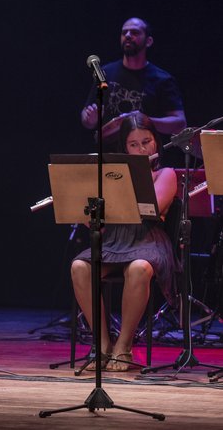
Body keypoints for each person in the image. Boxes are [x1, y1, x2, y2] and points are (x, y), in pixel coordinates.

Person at [70, 113, 178, 371]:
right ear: (124, 148)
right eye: (133, 144)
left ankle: (124, 346)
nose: (141, 149)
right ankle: (103, 344)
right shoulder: (112, 175)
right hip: (115, 240)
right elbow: (102, 221)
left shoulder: (166, 173)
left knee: (139, 268)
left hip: (148, 239)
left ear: (156, 143)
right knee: (79, 267)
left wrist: (124, 186)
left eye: (146, 141)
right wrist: (85, 212)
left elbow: (152, 207)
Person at [80, 17, 186, 145]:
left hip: (145, 157)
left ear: (149, 41)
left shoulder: (162, 79)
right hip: (108, 158)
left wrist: (143, 120)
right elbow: (87, 117)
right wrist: (90, 120)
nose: (128, 36)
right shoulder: (105, 73)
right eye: (124, 33)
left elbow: (180, 124)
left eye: (135, 32)